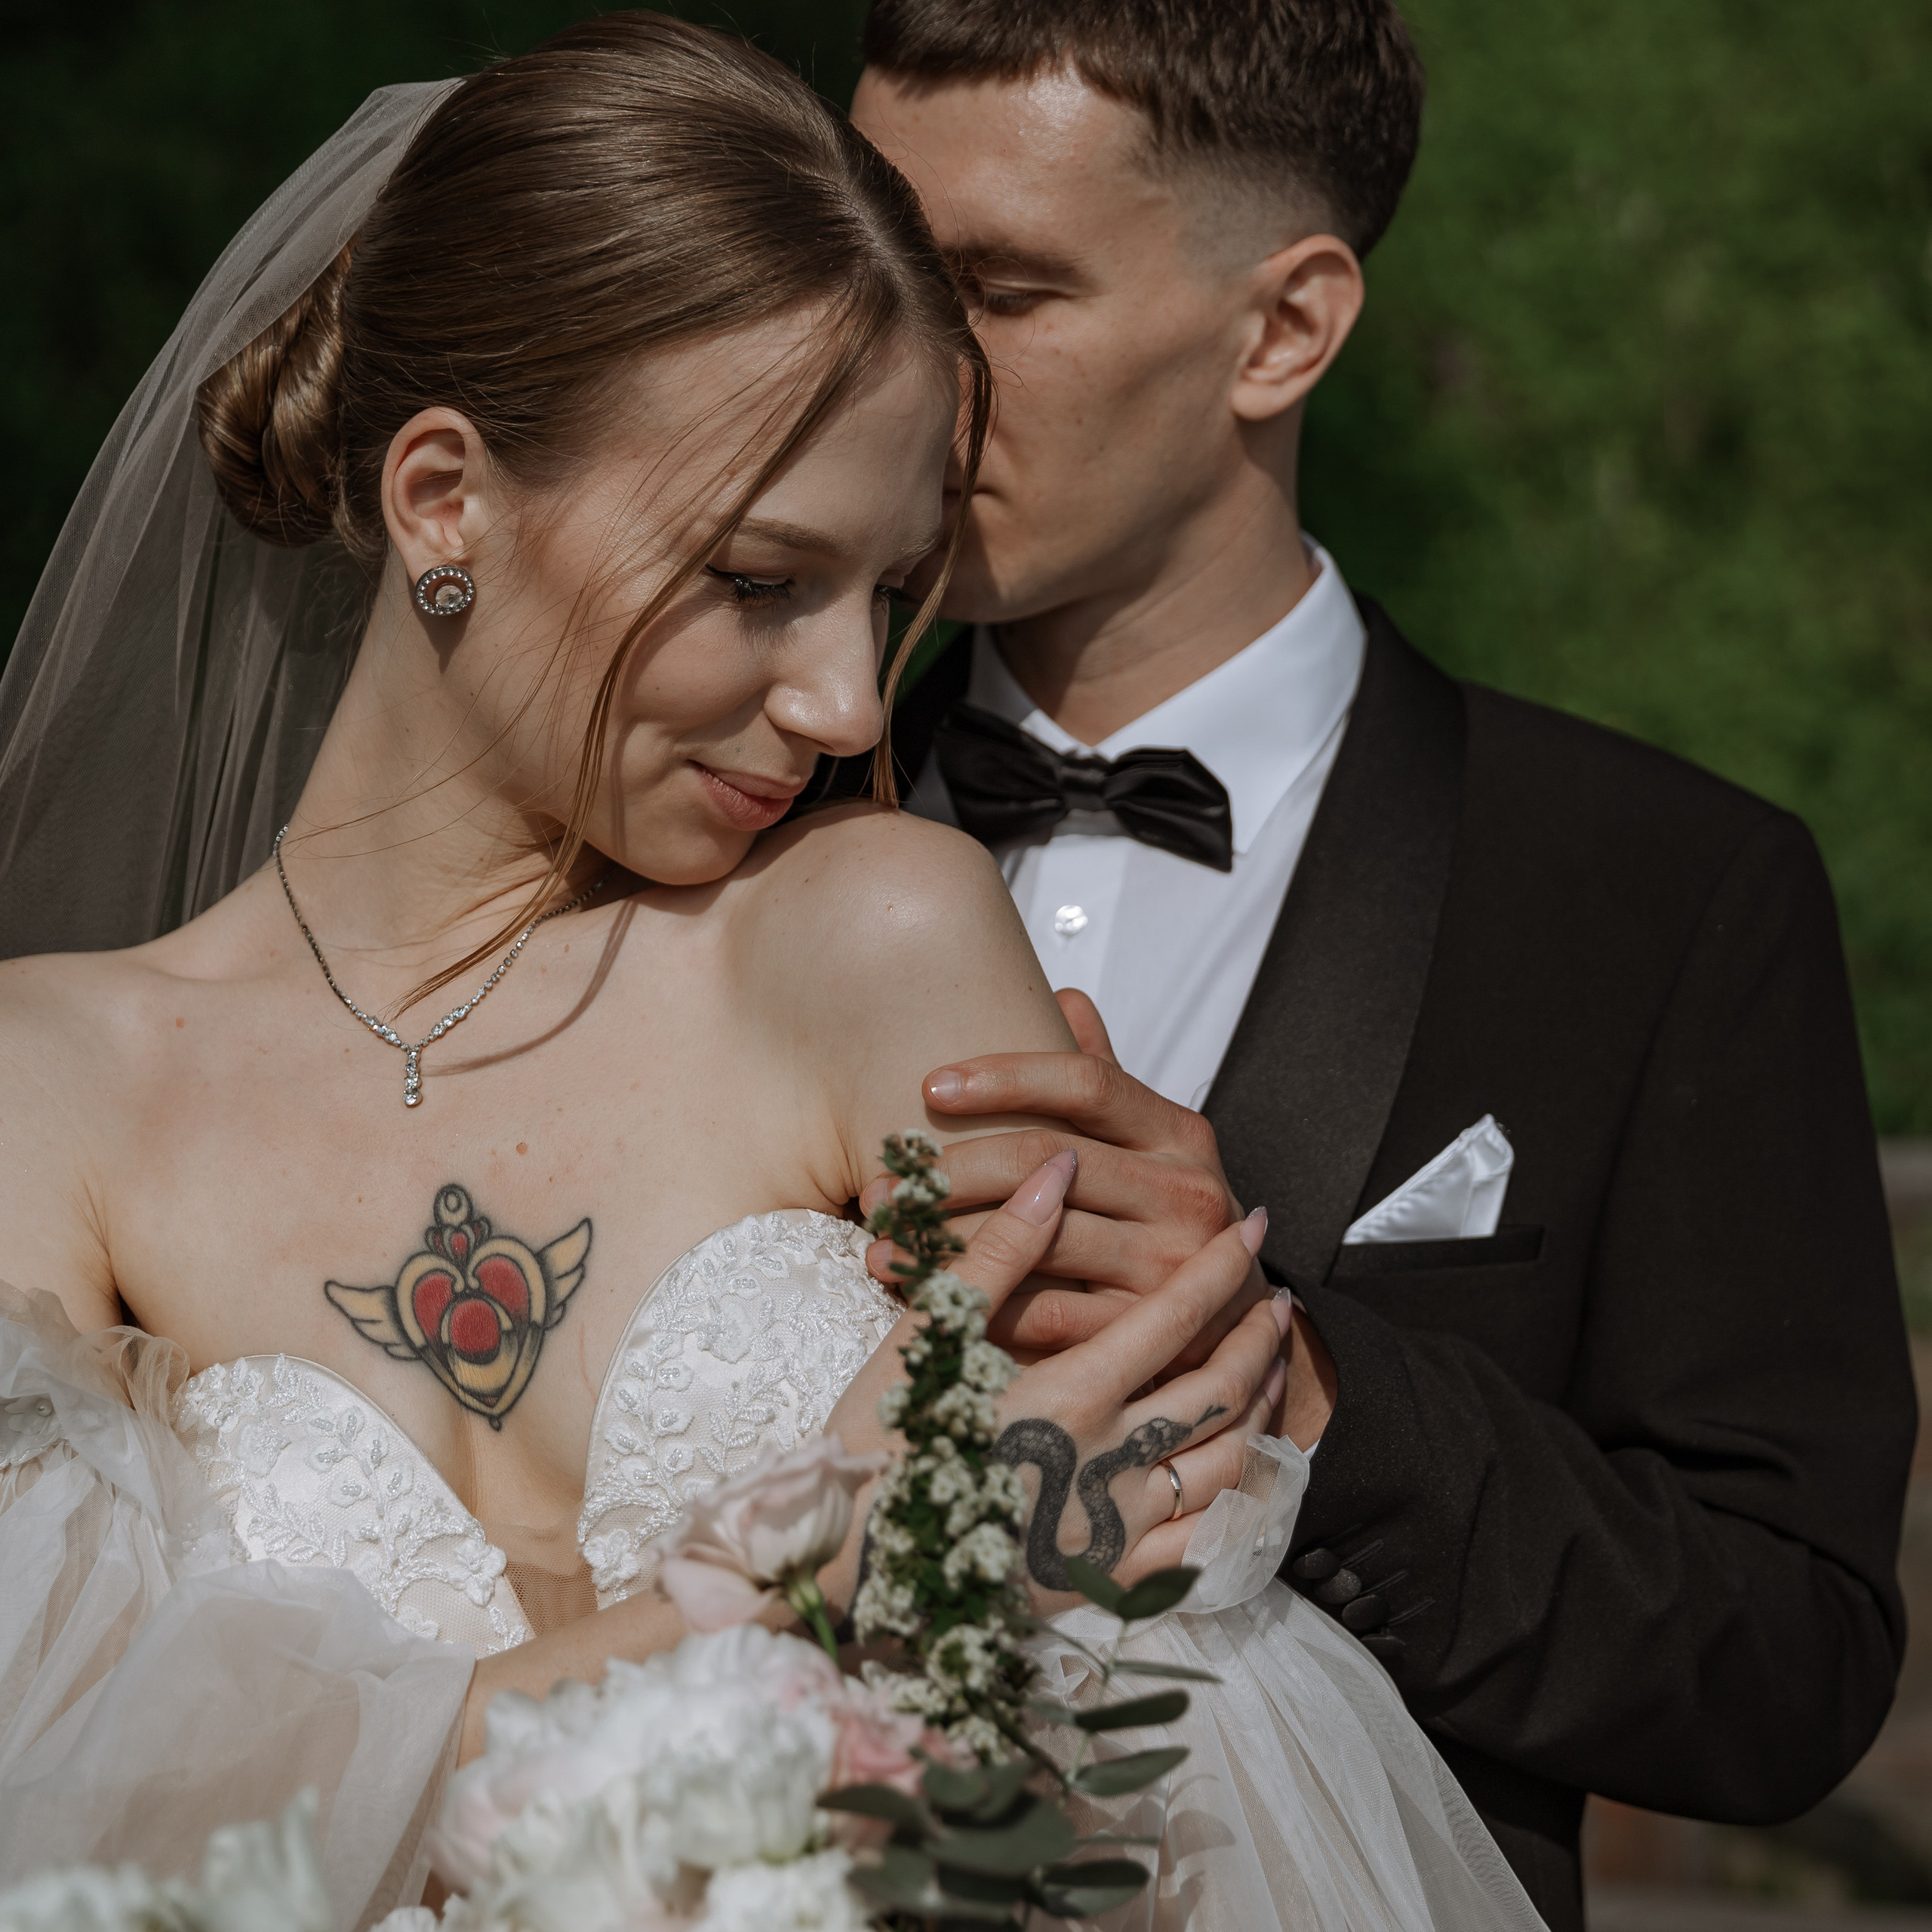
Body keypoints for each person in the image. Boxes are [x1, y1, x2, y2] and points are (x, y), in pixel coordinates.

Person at [0, 15, 1543, 1932]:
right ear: (443, 499)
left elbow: (1180, 1760)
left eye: (887, 595)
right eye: (756, 579)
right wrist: (815, 1574)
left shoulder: (870, 939)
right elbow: (76, 1835)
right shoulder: (47, 1088)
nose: (843, 704)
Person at [838, 3, 1918, 1928]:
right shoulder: (709, 833)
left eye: (997, 290)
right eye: (865, 256)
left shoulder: (1663, 897)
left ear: (1285, 328)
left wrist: (1305, 1387)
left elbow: (1783, 1663)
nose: (894, 358)